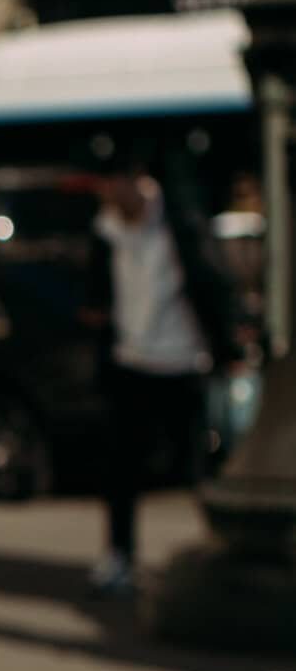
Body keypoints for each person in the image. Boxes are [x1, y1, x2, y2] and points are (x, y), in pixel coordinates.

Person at [85, 150, 239, 596]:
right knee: (121, 469)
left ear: (137, 180)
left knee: (195, 466)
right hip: (130, 361)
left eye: (116, 184)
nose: (110, 195)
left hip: (180, 360)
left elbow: (210, 280)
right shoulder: (106, 229)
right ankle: (120, 555)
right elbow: (98, 293)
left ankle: (216, 554)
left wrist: (224, 344)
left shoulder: (179, 220)